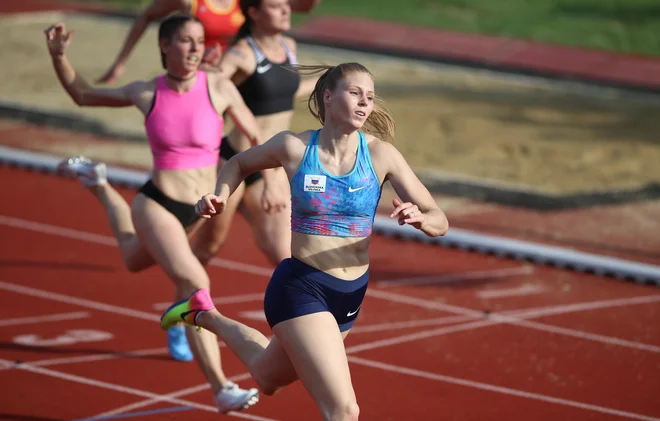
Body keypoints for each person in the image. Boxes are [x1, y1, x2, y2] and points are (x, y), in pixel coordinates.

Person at [160, 62, 449, 420]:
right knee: (343, 411)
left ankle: (202, 313)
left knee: (267, 377)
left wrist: (422, 219)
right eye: (355, 93)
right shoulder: (295, 148)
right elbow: (237, 163)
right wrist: (219, 195)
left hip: (350, 292)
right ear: (328, 97)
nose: (364, 103)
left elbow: (440, 219)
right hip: (302, 288)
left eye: (370, 97)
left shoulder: (381, 155)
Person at [43, 14, 284, 412]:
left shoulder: (220, 87)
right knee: (195, 281)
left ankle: (98, 183)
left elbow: (256, 138)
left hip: (194, 211)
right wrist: (58, 57)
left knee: (133, 258)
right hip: (157, 204)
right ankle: (222, 386)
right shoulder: (146, 92)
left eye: (198, 41)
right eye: (185, 41)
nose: (193, 49)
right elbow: (83, 94)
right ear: (165, 47)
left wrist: (274, 181)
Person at [191, 0, 320, 268]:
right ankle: (186, 302)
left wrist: (322, 82)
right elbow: (210, 89)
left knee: (284, 255)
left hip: (272, 163)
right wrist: (206, 70)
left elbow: (280, 94)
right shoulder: (240, 54)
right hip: (234, 163)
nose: (286, 10)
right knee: (207, 248)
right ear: (254, 13)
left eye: (286, 4)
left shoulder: (289, 47)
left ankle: (299, 310)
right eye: (276, 6)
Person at [96, 0, 322, 83]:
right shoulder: (191, 2)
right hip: (198, 72)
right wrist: (121, 62)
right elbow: (148, 15)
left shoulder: (242, 1)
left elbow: (300, 5)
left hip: (235, 72)